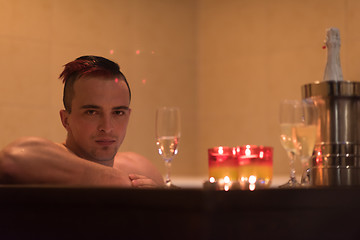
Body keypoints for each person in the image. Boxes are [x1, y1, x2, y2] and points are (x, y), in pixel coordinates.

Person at [0, 56, 164, 188]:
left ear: (128, 116)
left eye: (118, 112)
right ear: (66, 120)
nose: (107, 127)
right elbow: (11, 160)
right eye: (91, 112)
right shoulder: (45, 162)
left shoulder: (140, 169)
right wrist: (114, 179)